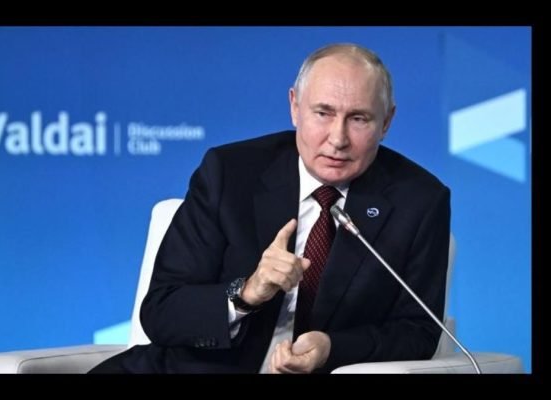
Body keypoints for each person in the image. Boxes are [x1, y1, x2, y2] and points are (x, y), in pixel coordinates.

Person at [89, 43, 450, 374]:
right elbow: (161, 311)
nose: (338, 139)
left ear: (386, 122)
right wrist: (246, 293)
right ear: (294, 106)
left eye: (359, 119)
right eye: (323, 113)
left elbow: (418, 331)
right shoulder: (230, 173)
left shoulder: (419, 201)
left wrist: (332, 348)